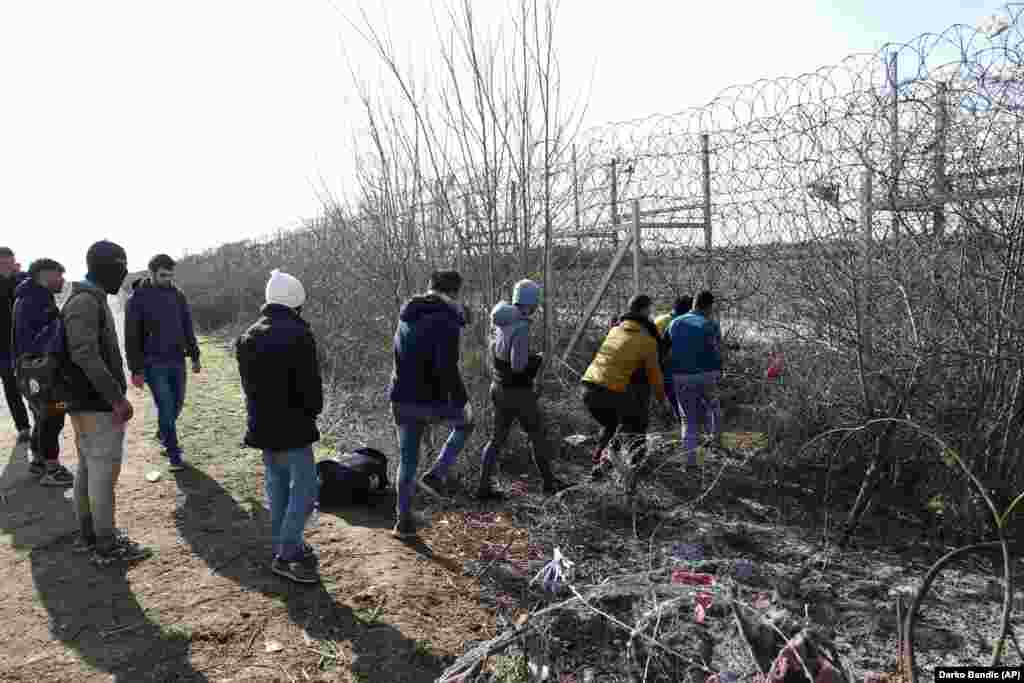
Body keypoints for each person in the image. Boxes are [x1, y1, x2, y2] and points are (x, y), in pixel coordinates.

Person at [63, 240, 150, 565]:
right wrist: (116, 398)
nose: (124, 274)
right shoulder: (86, 302)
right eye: (121, 267)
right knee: (101, 473)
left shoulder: (86, 298)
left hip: (87, 404)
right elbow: (84, 353)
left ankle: (90, 536)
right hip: (97, 405)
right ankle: (106, 545)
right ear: (107, 268)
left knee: (88, 470)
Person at [236, 269, 323, 584]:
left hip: (263, 425)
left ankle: (287, 543)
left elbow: (250, 388)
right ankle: (287, 554)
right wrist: (314, 410)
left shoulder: (248, 335)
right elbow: (310, 388)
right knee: (306, 489)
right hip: (294, 425)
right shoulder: (299, 335)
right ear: (296, 302)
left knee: (276, 483)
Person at [389, 270, 473, 539]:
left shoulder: (407, 314)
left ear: (430, 287)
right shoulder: (446, 320)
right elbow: (446, 368)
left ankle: (403, 522)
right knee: (466, 423)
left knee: (407, 460)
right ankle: (436, 474)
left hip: (402, 398)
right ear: (454, 293)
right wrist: (462, 401)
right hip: (430, 401)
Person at [477, 279, 568, 500]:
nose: (537, 307)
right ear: (531, 303)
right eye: (536, 302)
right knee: (537, 435)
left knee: (496, 439)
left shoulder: (501, 319)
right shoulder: (521, 326)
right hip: (518, 392)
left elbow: (501, 356)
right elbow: (518, 366)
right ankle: (549, 483)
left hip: (498, 386)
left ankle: (483, 487)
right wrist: (537, 359)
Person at [125, 254, 201, 472]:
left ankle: (163, 433)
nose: (168, 279)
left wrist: (195, 355)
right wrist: (136, 370)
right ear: (151, 273)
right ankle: (174, 454)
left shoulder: (178, 295)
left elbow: (187, 326)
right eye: (163, 275)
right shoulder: (137, 299)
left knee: (176, 404)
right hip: (152, 363)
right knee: (166, 407)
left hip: (177, 359)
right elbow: (131, 338)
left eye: (170, 275)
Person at [581, 294, 668, 478]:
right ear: (645, 311)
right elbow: (655, 375)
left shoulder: (615, 330)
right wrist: (662, 400)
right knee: (634, 424)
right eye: (650, 311)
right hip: (612, 391)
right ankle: (634, 467)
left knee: (612, 426)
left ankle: (599, 464)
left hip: (588, 388)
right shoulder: (647, 340)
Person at [13, 258, 72, 486]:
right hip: (41, 372)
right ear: (45, 275)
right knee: (54, 414)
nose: (62, 280)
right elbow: (46, 338)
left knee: (41, 415)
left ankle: (38, 461)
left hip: (30, 372)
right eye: (59, 275)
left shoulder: (26, 297)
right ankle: (52, 469)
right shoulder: (37, 300)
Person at [667, 290, 723, 464]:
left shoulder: (674, 323)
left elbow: (668, 349)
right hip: (707, 376)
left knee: (688, 419)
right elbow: (717, 350)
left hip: (681, 376)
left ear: (694, 304)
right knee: (714, 409)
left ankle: (690, 461)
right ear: (709, 306)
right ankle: (715, 446)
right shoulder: (711, 324)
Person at [0, 247, 32, 442]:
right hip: (3, 348)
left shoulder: (26, 279)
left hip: (28, 344)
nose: (6, 266)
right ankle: (23, 427)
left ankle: (42, 419)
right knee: (11, 388)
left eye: (8, 262)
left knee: (37, 384)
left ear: (14, 261)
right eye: (2, 263)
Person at [655, 295, 693, 420]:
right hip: (669, 366)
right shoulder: (681, 323)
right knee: (678, 400)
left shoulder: (659, 319)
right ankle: (681, 421)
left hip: (653, 364)